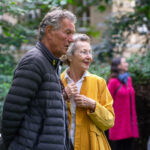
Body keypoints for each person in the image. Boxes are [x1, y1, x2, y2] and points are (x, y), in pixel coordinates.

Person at [0, 7, 76, 150]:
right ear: (49, 31)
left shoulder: (51, 64)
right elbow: (11, 115)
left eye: (72, 34)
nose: (71, 39)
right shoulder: (34, 61)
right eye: (67, 33)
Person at [61, 33, 115, 150]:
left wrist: (93, 105)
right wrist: (63, 95)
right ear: (70, 56)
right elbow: (44, 112)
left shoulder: (98, 82)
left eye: (90, 52)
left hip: (92, 146)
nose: (89, 57)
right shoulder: (57, 81)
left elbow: (109, 122)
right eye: (84, 52)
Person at [107, 57, 139, 150]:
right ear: (118, 66)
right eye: (124, 62)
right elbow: (107, 101)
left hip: (130, 123)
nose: (127, 64)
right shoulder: (113, 82)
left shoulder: (128, 80)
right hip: (118, 124)